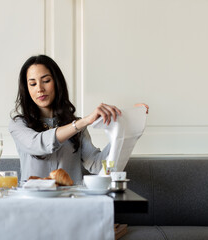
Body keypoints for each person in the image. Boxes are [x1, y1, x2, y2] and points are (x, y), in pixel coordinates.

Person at [9, 54, 148, 184]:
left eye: (46, 81)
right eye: (32, 84)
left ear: (57, 83)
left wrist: (127, 124)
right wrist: (82, 122)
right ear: (26, 89)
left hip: (70, 202)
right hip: (33, 205)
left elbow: (96, 164)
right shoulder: (19, 125)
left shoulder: (76, 125)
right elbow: (39, 144)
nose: (40, 88)